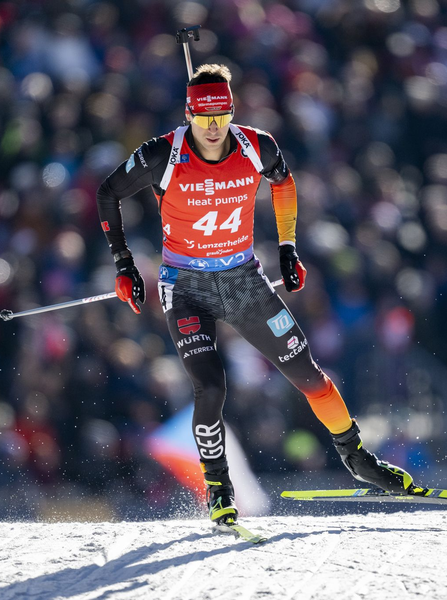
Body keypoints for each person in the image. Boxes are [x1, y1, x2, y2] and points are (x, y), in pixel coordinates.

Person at [96, 64, 419, 526]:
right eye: (202, 117)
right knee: (211, 387)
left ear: (231, 111)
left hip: (244, 282)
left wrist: (287, 246)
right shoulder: (161, 154)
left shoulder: (256, 146)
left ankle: (357, 458)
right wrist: (124, 264)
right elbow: (107, 193)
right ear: (188, 114)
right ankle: (218, 488)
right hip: (186, 288)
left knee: (309, 375)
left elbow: (284, 183)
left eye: (220, 115)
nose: (211, 127)